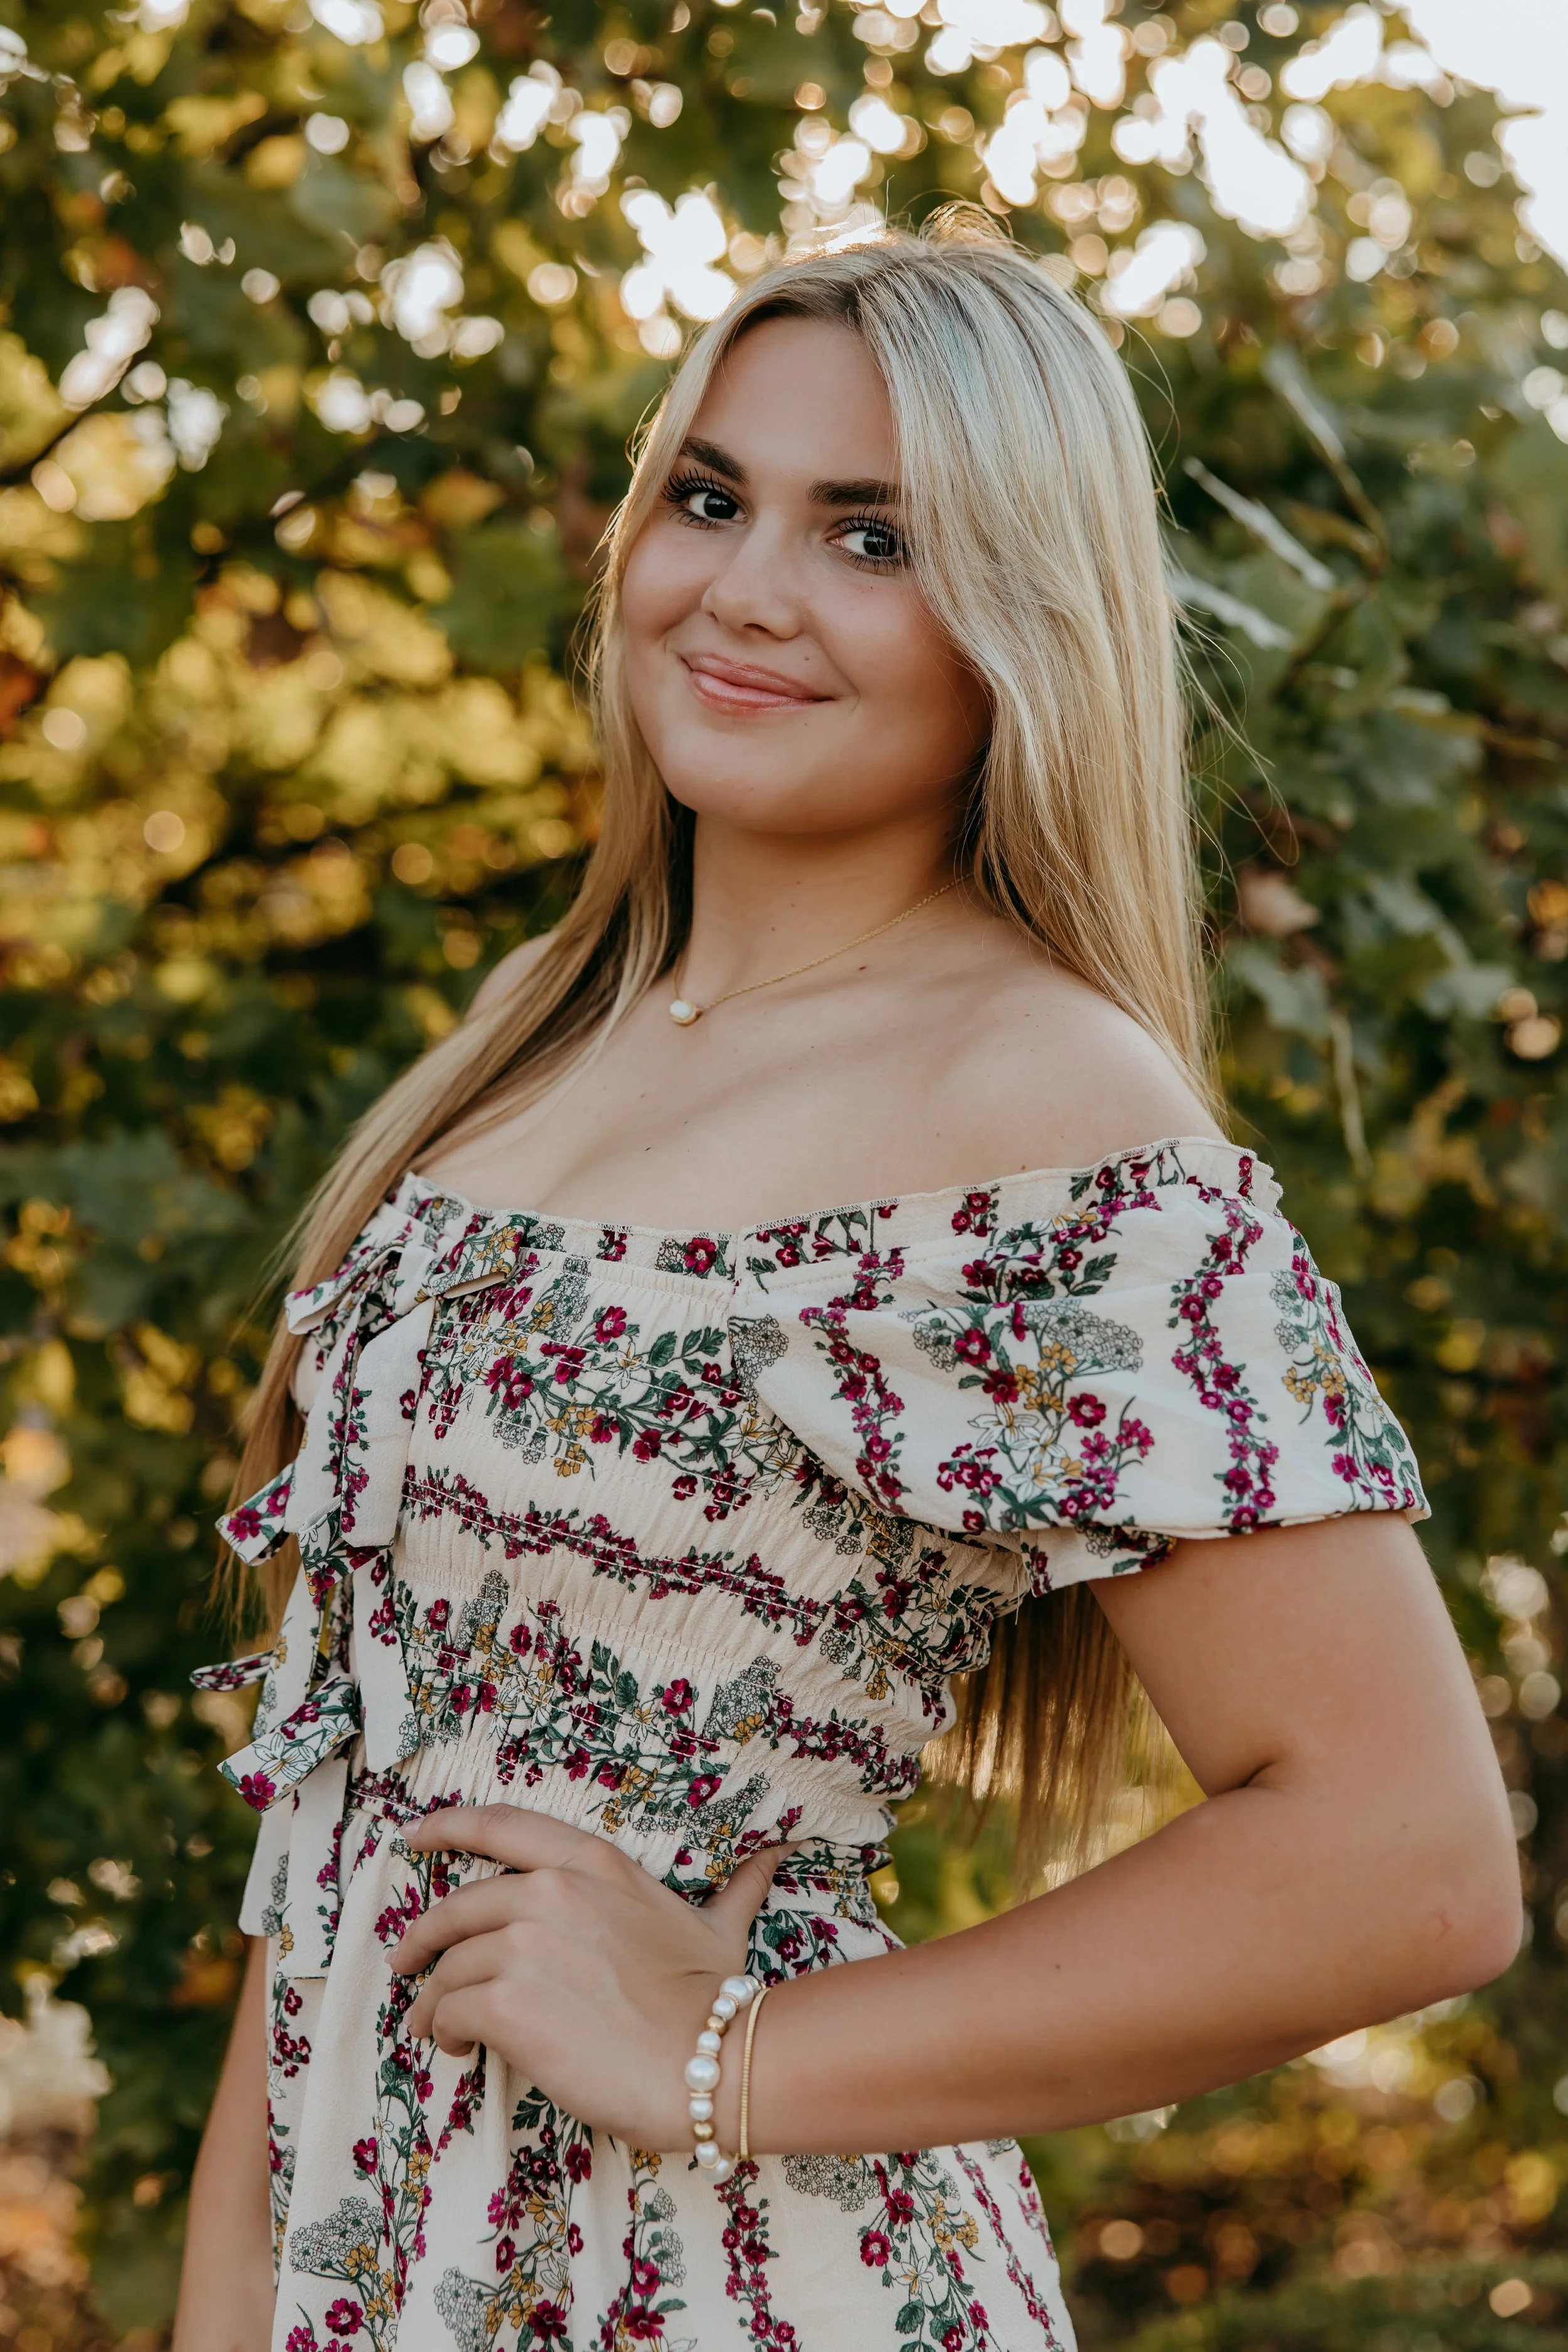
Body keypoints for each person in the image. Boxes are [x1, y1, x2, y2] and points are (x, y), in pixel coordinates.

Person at [173, 215, 1518, 2352]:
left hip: (732, 2283)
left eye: (870, 535)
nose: (746, 589)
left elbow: (1407, 1856)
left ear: (1018, 619)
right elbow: (342, 1824)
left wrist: (723, 2057)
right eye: (709, 497)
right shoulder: (539, 1032)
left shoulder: (1039, 1093)